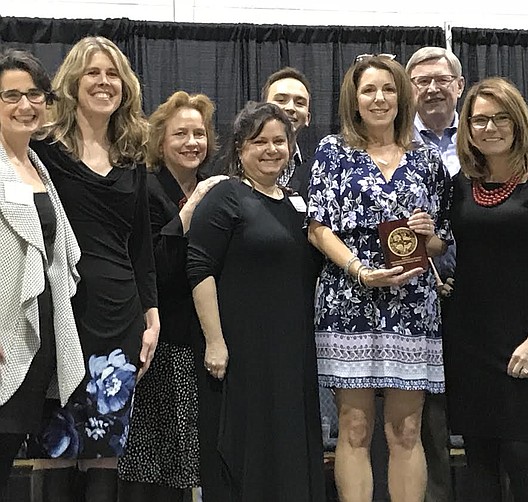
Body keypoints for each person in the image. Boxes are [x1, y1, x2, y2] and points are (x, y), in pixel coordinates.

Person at [307, 54, 450, 502]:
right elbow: (317, 227)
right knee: (354, 427)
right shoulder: (332, 151)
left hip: (411, 307)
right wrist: (360, 270)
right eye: (369, 90)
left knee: (406, 429)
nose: (379, 98)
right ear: (354, 99)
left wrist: (428, 237)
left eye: (388, 89)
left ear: (401, 96)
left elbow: (442, 242)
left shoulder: (427, 160)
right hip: (349, 298)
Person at [27, 36, 159, 502]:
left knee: (105, 448)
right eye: (93, 73)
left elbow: (141, 245)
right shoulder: (42, 150)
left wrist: (152, 313)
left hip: (119, 316)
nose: (104, 82)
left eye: (113, 74)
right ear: (73, 82)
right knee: (54, 447)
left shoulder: (133, 156)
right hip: (58, 313)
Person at [186, 101, 325, 502]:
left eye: (279, 141)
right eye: (258, 141)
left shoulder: (298, 204)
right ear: (239, 149)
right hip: (240, 352)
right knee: (244, 449)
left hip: (290, 352)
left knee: (288, 449)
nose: (270, 150)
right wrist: (215, 341)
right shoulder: (225, 197)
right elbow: (199, 269)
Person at [446, 76, 528, 502]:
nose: (490, 127)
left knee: (525, 462)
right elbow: (443, 246)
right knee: (478, 463)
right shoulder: (460, 185)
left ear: (518, 122)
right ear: (467, 127)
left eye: (501, 118)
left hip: (522, 342)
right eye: (479, 119)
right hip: (469, 343)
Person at [117, 91, 225, 501]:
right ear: (160, 141)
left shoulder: (214, 190)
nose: (192, 142)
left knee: (181, 467)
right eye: (181, 133)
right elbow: (153, 265)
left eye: (199, 133)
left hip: (194, 342)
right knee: (144, 465)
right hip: (154, 339)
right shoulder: (144, 188)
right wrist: (189, 210)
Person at [0, 49, 83, 498]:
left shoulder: (39, 168)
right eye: (11, 95)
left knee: (9, 451)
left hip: (32, 337)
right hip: (2, 335)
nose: (25, 105)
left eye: (34, 94)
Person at [405, 46, 465, 502]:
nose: (432, 88)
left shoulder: (487, 133)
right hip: (419, 300)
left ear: (458, 86)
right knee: (427, 422)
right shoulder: (396, 144)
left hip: (483, 297)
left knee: (488, 415)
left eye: (441, 79)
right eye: (422, 81)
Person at [261, 66, 312, 196]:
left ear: (307, 118)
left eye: (299, 103)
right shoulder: (237, 164)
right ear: (262, 109)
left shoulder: (315, 172)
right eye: (281, 100)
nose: (290, 108)